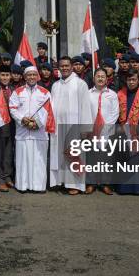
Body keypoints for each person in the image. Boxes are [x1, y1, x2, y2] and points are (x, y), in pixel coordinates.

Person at [9, 66, 55, 193]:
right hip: (22, 132)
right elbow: (12, 108)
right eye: (29, 75)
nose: (31, 77)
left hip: (39, 133)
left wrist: (37, 123)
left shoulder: (45, 92)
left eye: (34, 75)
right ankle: (22, 186)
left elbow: (49, 111)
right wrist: (22, 119)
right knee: (22, 161)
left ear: (38, 76)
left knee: (39, 161)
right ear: (25, 77)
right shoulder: (17, 92)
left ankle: (38, 187)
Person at [50, 56, 92, 194]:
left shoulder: (80, 84)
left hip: (74, 126)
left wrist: (85, 129)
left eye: (67, 65)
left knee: (73, 153)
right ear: (59, 68)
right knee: (59, 153)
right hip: (58, 125)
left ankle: (74, 184)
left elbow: (85, 107)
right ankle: (61, 181)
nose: (64, 68)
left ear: (72, 66)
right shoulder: (56, 85)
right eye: (62, 66)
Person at [86, 68, 119, 194]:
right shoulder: (88, 94)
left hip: (107, 131)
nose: (100, 78)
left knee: (106, 158)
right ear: (94, 78)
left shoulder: (112, 94)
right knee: (92, 157)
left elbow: (115, 113)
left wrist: (104, 128)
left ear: (107, 79)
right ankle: (91, 183)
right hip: (92, 130)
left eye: (103, 76)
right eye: (98, 76)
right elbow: (85, 111)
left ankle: (105, 184)